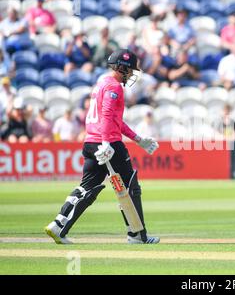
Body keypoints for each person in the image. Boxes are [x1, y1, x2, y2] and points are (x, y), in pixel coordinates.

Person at [45, 49, 160, 245]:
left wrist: (138, 138)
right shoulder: (114, 87)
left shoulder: (101, 84)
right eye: (130, 70)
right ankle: (137, 235)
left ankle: (58, 226)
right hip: (109, 144)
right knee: (131, 187)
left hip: (91, 142)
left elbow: (115, 120)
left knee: (87, 188)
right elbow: (107, 116)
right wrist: (106, 142)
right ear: (121, 68)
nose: (132, 74)